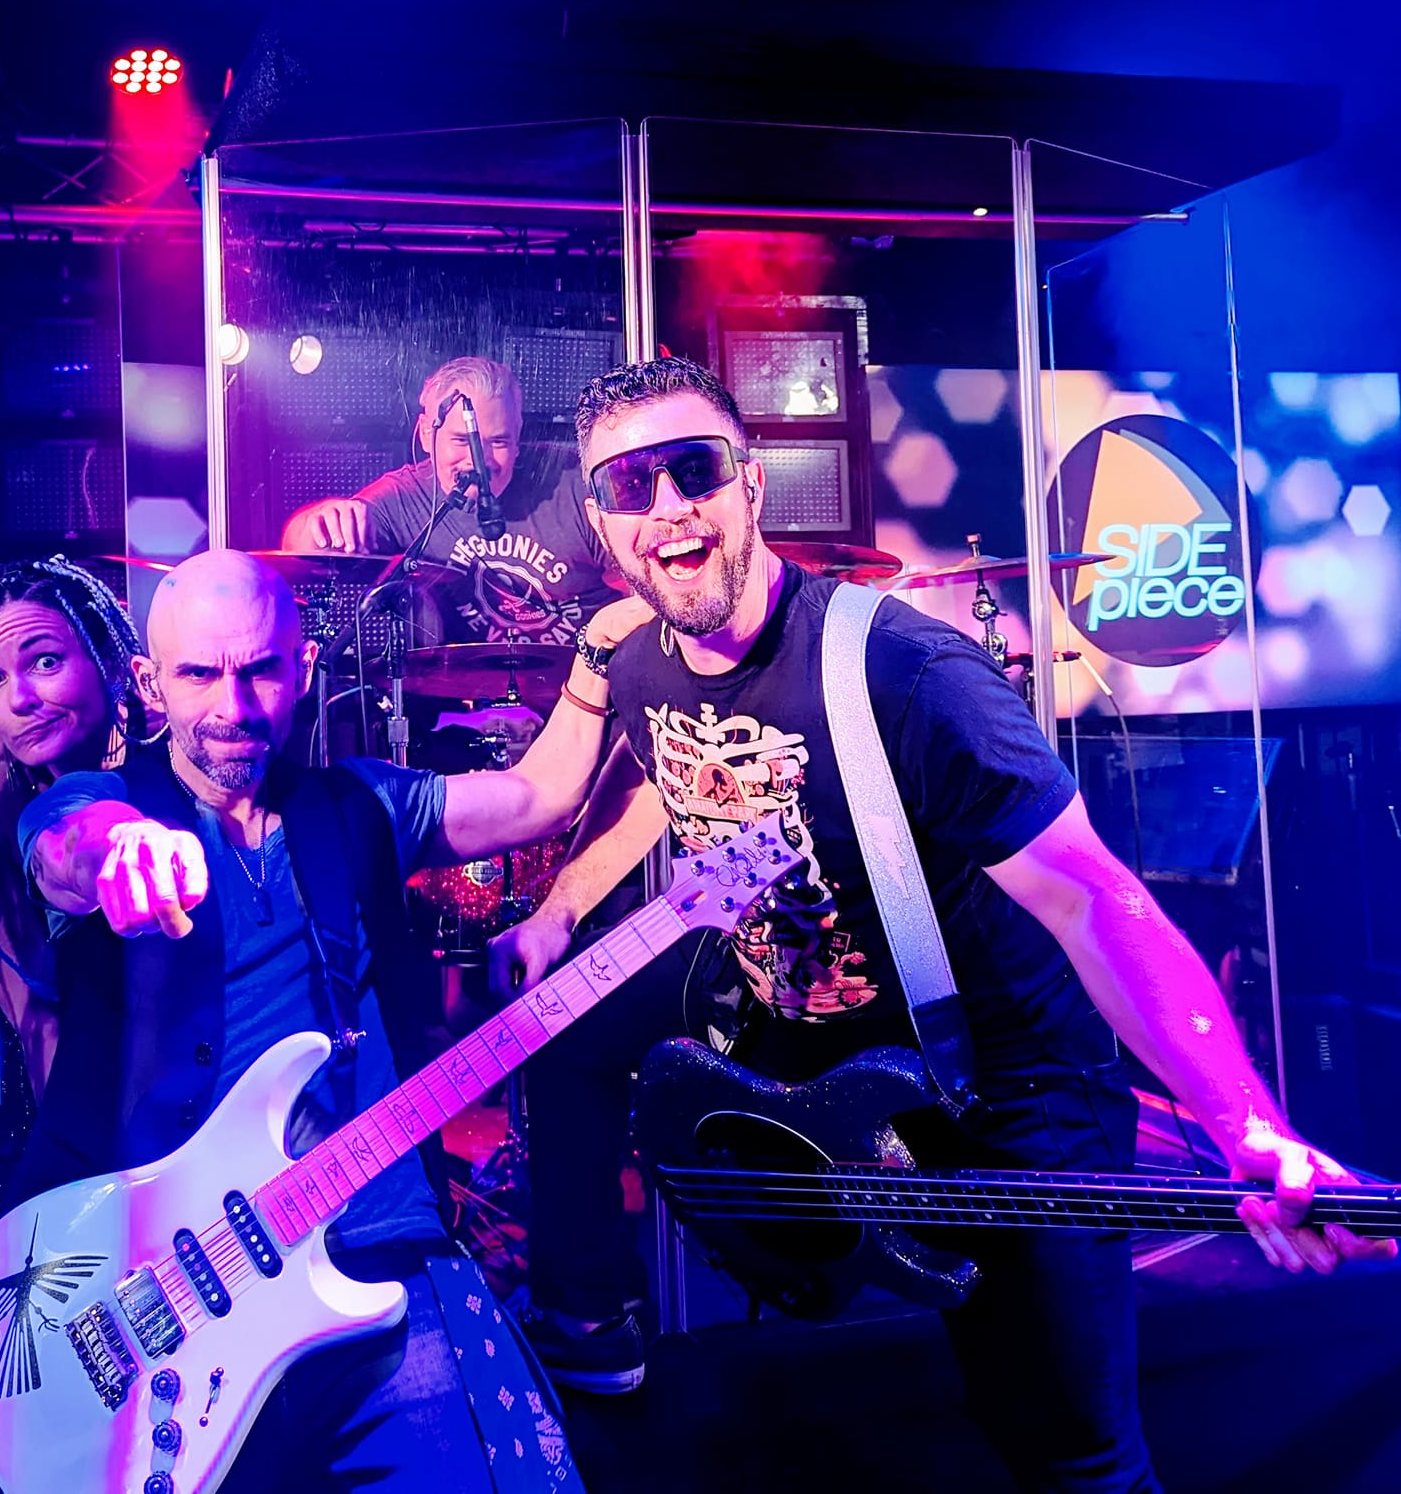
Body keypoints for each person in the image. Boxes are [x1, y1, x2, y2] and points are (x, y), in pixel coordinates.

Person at [491, 356, 1393, 1489]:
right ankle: (588, 1321)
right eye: (630, 485)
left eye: (694, 470)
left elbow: (1090, 896)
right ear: (599, 523)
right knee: (567, 1023)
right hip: (824, 1033)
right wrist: (559, 907)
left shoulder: (904, 670)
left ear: (750, 484)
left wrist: (1242, 1124)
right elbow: (643, 786)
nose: (667, 505)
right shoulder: (636, 661)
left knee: (1067, 1446)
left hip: (1003, 1084)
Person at [18, 548, 649, 1491]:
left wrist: (598, 650)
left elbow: (540, 796)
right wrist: (116, 851)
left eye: (260, 670)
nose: (233, 706)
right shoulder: (104, 805)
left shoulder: (359, 805)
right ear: (149, 683)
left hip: (376, 1245)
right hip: (176, 1281)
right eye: (198, 674)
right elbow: (60, 847)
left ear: (306, 666)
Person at [0, 557, 149, 1233]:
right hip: (52, 1085)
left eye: (45, 662)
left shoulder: (168, 746)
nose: (17, 699)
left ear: (108, 657)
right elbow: (32, 1014)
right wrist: (91, 1186)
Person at [280, 356, 620, 647]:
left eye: (498, 442)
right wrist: (319, 521)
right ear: (426, 433)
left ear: (518, 437)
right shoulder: (405, 498)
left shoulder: (572, 482)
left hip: (582, 692)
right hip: (464, 696)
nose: (478, 461)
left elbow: (638, 587)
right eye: (461, 440)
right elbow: (299, 550)